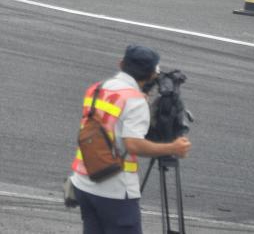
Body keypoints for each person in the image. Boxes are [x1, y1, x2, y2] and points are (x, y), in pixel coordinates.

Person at [69, 45, 192, 234]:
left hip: (83, 183)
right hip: (114, 190)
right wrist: (173, 148)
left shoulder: (96, 88)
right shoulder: (135, 101)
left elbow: (109, 123)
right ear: (152, 75)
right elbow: (133, 145)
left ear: (121, 64)